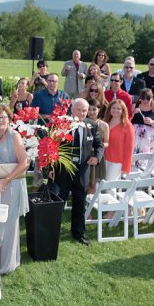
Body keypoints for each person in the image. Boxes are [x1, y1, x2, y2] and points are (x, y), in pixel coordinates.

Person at [0, 104, 30, 274]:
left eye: (4, 117)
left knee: (8, 223)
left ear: (9, 119)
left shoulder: (14, 136)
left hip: (11, 185)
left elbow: (25, 162)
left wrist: (6, 180)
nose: (1, 120)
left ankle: (6, 264)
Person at [50, 99, 103, 245]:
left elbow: (99, 145)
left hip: (82, 172)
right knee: (57, 204)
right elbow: (51, 147)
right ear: (72, 110)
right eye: (79, 110)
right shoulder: (62, 123)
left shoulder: (91, 125)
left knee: (80, 205)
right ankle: (52, 232)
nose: (82, 113)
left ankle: (78, 233)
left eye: (85, 110)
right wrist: (50, 169)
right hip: (63, 172)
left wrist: (97, 157)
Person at [130, 89, 154, 171]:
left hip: (151, 141)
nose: (145, 100)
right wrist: (133, 113)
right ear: (140, 98)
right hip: (136, 140)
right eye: (143, 98)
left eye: (148, 98)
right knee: (134, 164)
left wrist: (152, 122)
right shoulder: (135, 106)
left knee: (148, 164)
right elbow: (127, 121)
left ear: (152, 98)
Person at [104, 99, 134, 178]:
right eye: (113, 108)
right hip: (103, 160)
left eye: (118, 109)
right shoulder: (106, 122)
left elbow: (129, 149)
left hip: (117, 163)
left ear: (123, 111)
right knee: (101, 185)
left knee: (109, 188)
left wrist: (126, 167)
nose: (115, 110)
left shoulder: (127, 126)